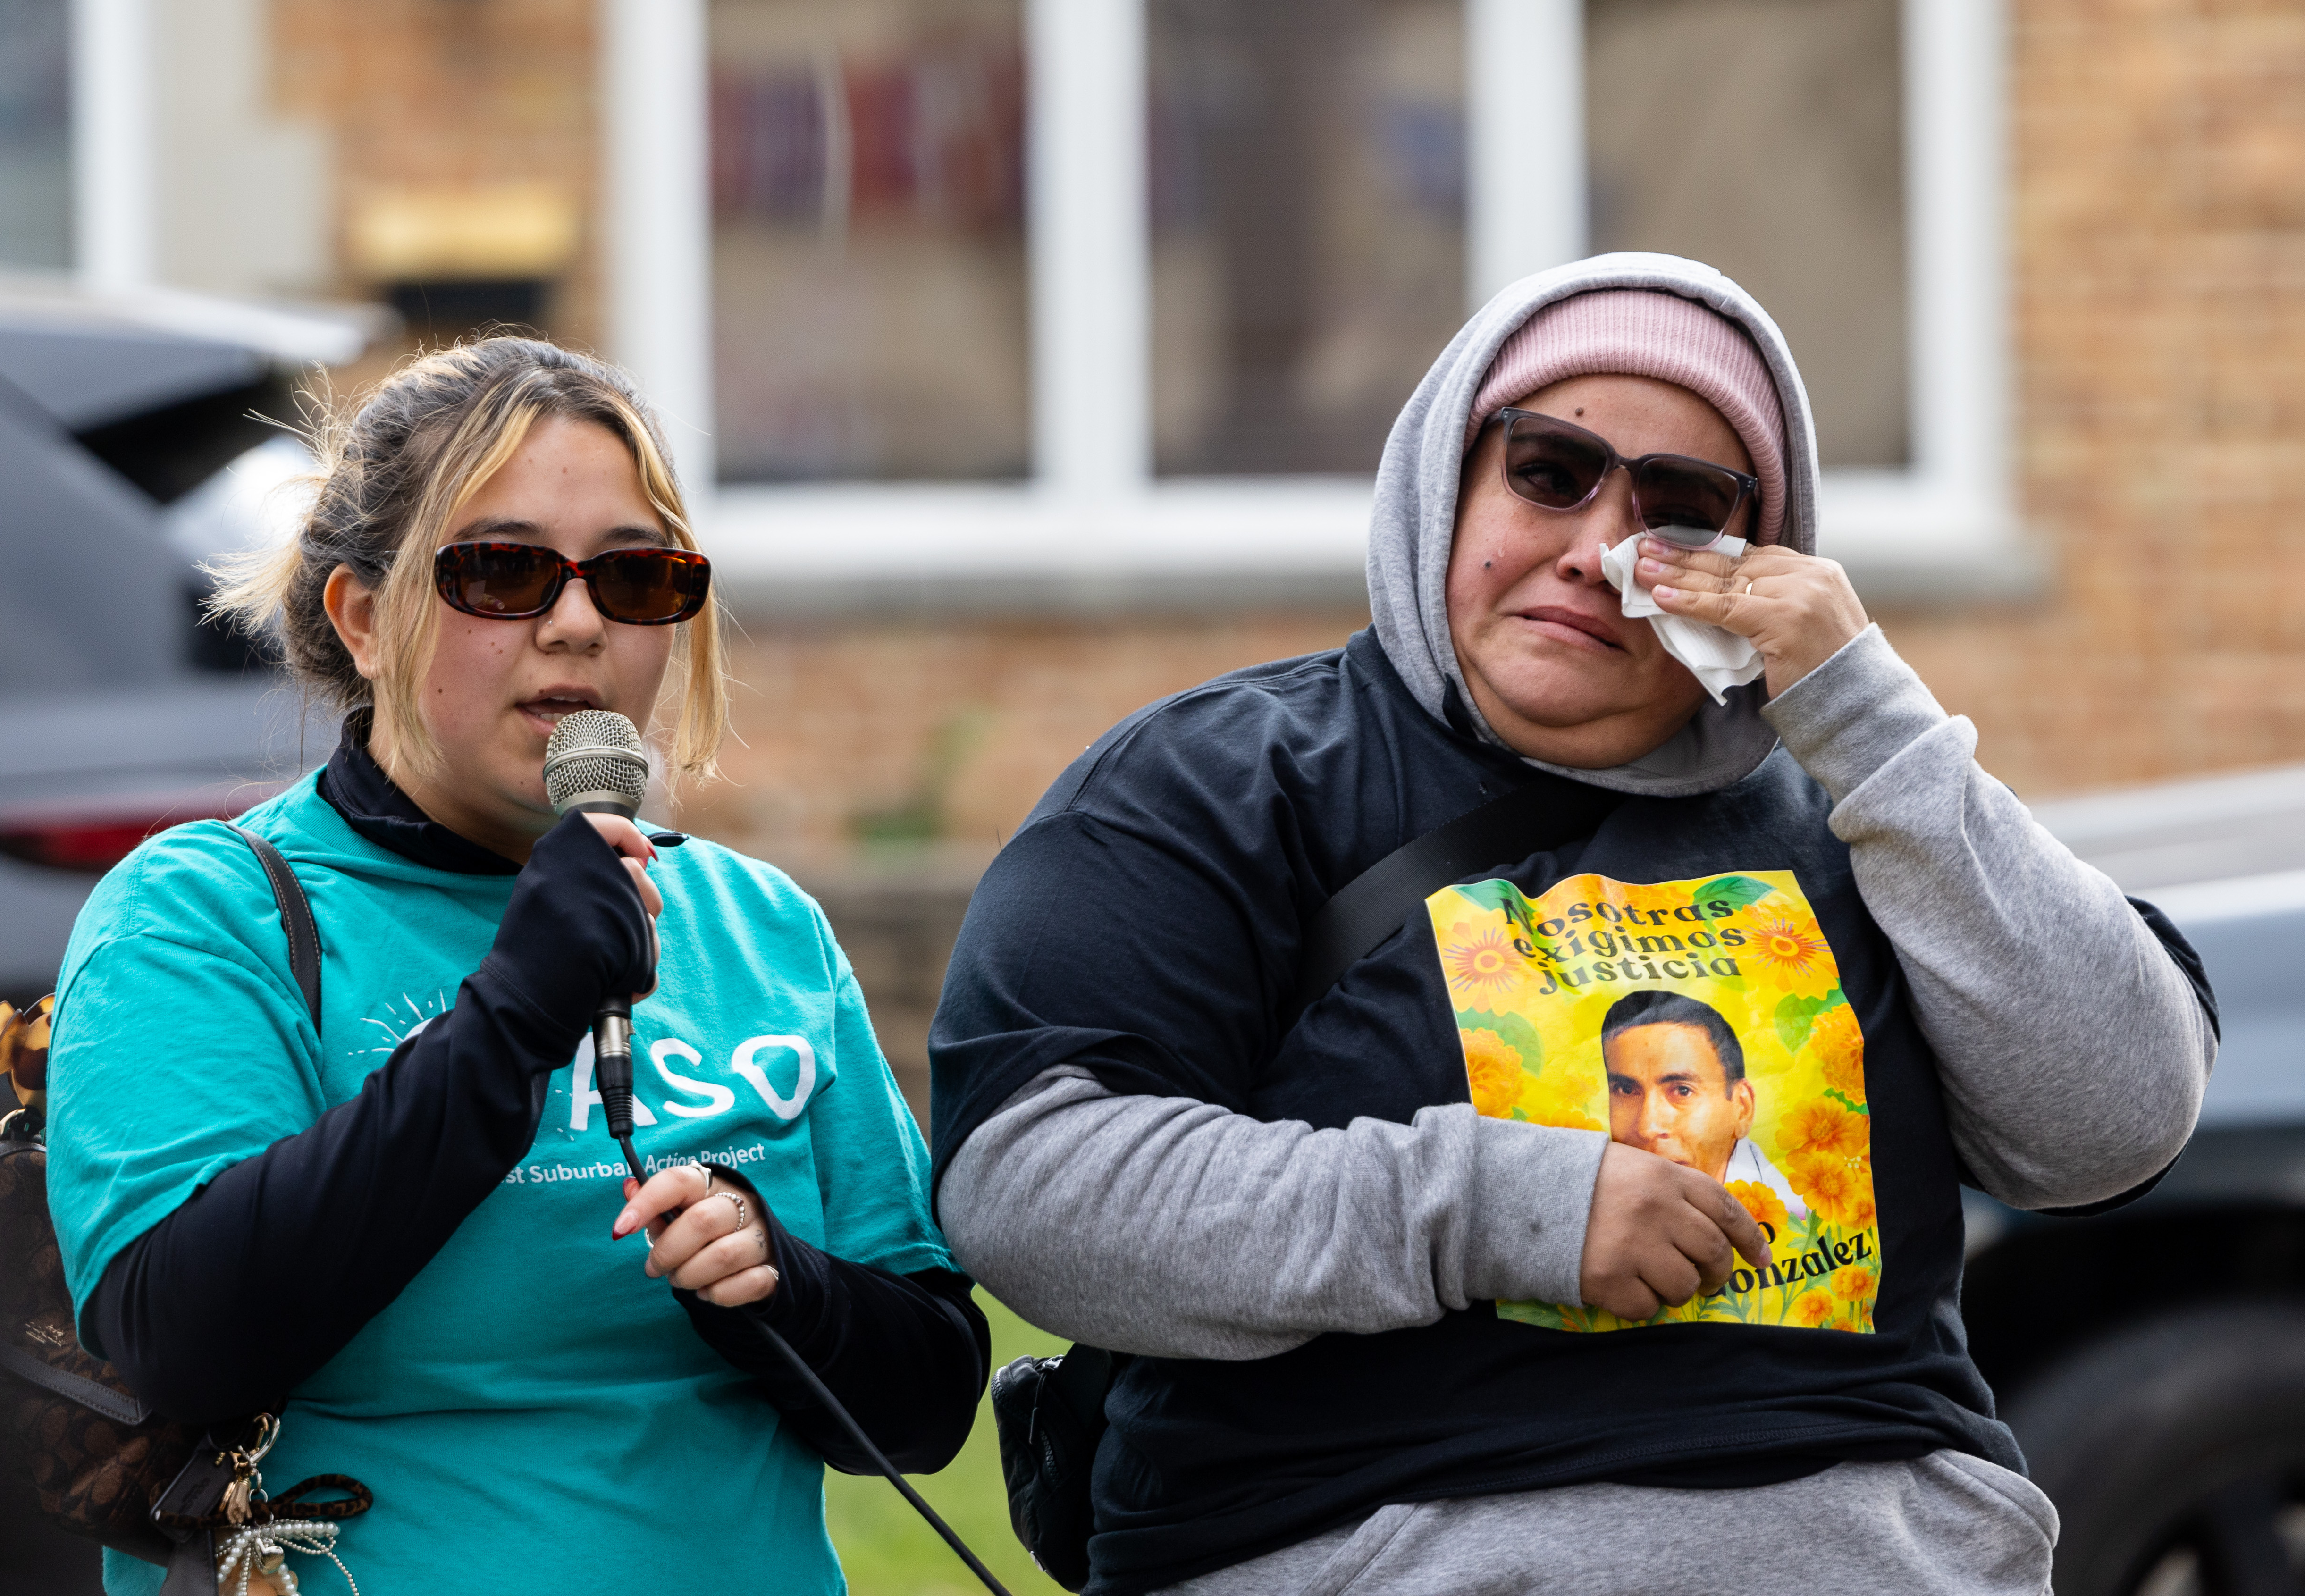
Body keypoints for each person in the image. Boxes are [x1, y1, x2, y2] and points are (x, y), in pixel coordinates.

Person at [928, 255, 2216, 1595]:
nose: (1601, 549)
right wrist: (1497, 1206)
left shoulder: (1871, 811)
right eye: (1551, 469)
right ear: (1451, 480)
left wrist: (1867, 715)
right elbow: (1036, 1184)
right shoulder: (1224, 780)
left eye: (1681, 508)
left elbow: (2116, 1119)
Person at [44, 337, 988, 1595]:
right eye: (504, 568)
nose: (582, 622)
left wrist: (781, 1281)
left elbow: (927, 1405)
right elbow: (186, 1340)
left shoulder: (755, 922)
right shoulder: (202, 916)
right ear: (365, 618)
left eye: (636, 574)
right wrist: (514, 1015)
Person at [1599, 991, 1806, 1216]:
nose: (1647, 1128)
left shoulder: (1800, 1223)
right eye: (1626, 1090)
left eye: (1682, 1091)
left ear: (1742, 1108)